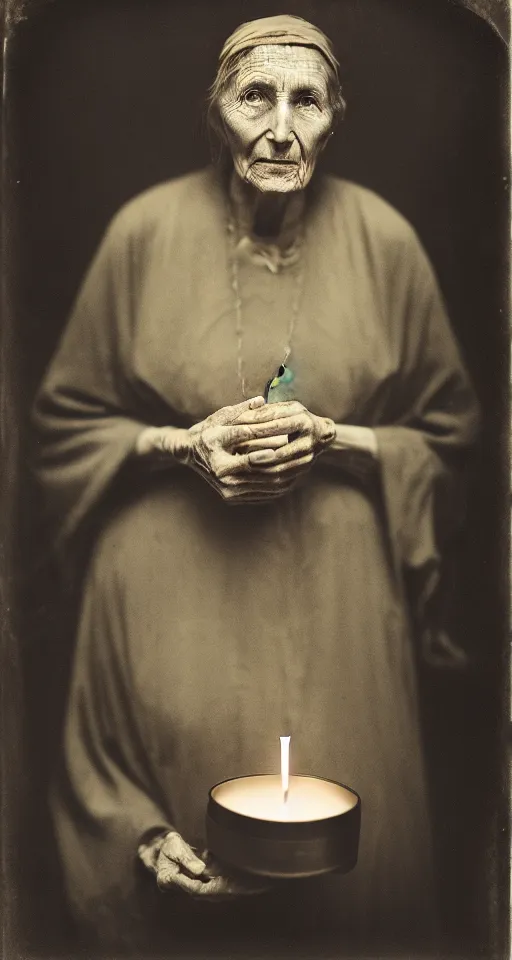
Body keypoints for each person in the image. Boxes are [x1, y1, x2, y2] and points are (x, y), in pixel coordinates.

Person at [33, 14, 479, 959]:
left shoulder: (385, 242)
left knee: (357, 876)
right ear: (215, 118)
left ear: (334, 119)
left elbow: (450, 441)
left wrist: (341, 440)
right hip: (161, 612)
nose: (281, 128)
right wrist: (179, 444)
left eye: (306, 101)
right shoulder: (143, 234)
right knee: (175, 870)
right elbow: (65, 429)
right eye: (255, 98)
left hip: (342, 624)